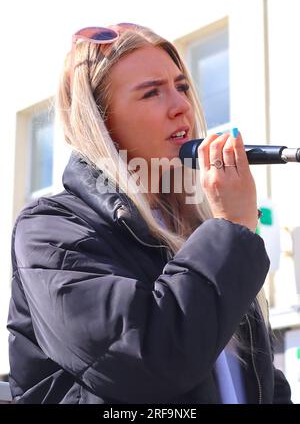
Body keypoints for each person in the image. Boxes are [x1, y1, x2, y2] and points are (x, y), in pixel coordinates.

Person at [7, 23, 292, 404]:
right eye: (152, 93)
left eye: (182, 86)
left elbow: (259, 381)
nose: (181, 106)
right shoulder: (51, 229)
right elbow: (150, 361)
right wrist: (231, 227)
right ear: (101, 120)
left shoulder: (197, 230)